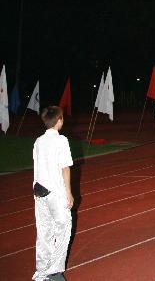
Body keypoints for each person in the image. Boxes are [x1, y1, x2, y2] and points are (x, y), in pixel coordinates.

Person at [32, 105, 74, 281]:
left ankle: (40, 272)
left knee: (43, 232)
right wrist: (69, 193)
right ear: (59, 121)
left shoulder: (38, 141)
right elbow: (65, 168)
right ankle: (55, 272)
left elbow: (37, 165)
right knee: (63, 229)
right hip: (55, 192)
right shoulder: (61, 140)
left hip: (39, 191)